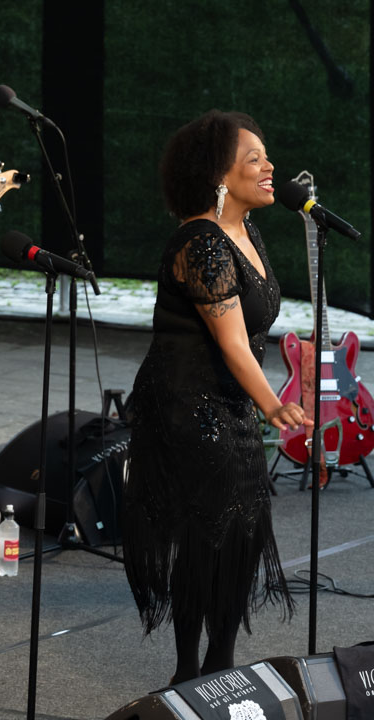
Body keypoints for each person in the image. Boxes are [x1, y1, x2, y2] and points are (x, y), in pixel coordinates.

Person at [122, 110, 308, 684]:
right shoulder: (201, 241)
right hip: (187, 406)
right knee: (208, 531)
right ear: (218, 175)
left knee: (243, 532)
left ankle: (220, 662)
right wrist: (273, 403)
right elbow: (231, 342)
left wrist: (259, 402)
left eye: (267, 156)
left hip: (230, 401)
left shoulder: (246, 233)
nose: (270, 167)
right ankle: (188, 675)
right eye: (254, 159)